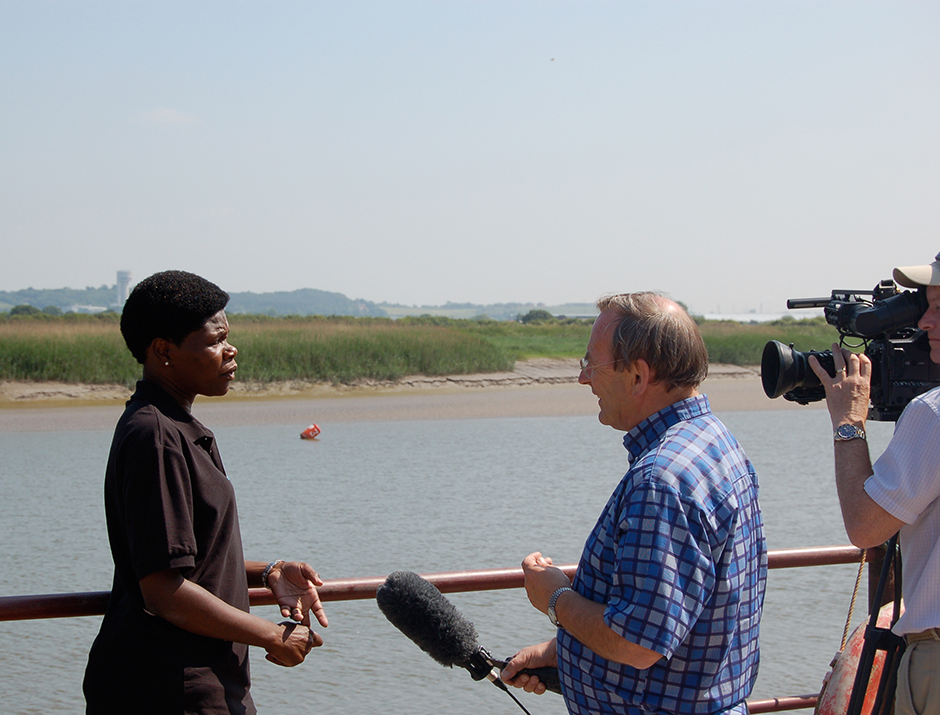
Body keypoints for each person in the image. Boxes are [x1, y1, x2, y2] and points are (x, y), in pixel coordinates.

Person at [501, 292, 767, 715]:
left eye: (593, 363)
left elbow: (640, 643)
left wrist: (556, 599)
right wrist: (564, 651)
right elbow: (679, 613)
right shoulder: (715, 442)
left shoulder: (661, 478)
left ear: (639, 376)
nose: (584, 378)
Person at [83, 270, 328, 715]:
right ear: (163, 350)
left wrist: (268, 570)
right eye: (215, 340)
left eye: (228, 337)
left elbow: (186, 557)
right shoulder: (155, 434)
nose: (231, 350)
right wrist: (271, 634)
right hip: (167, 689)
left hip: (202, 682)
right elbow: (163, 589)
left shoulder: (177, 428)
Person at [808, 252, 940, 715]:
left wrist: (849, 422)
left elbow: (866, 528)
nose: (925, 321)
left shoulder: (933, 414)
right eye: (925, 305)